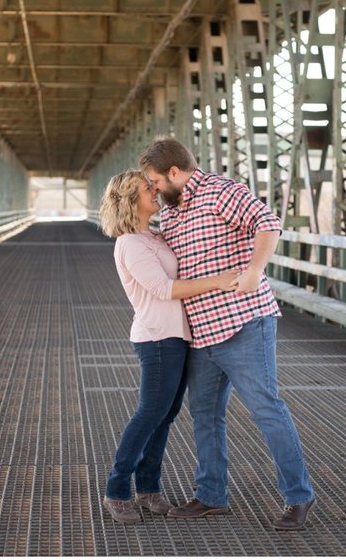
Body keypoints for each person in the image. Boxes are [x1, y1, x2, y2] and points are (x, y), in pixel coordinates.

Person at [139, 137, 317, 530]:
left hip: (243, 323)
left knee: (267, 409)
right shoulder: (170, 213)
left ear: (174, 172)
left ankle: (298, 498)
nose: (153, 190)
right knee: (205, 415)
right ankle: (211, 495)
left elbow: (268, 224)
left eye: (154, 182)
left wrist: (254, 270)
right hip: (199, 335)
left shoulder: (222, 192)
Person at [98, 170, 240, 525]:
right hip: (156, 337)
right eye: (146, 188)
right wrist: (218, 282)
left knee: (164, 414)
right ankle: (116, 491)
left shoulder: (156, 236)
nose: (154, 190)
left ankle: (148, 488)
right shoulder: (129, 243)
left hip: (178, 336)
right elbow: (164, 289)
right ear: (131, 199)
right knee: (149, 413)